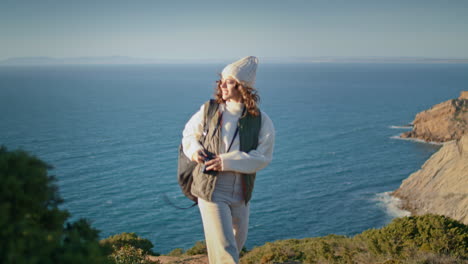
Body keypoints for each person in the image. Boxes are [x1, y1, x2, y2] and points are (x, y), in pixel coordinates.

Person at [181, 56, 275, 263]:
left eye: (229, 81)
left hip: (241, 191)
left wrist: (227, 161)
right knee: (226, 251)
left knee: (235, 244)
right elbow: (189, 135)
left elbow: (263, 157)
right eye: (221, 80)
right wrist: (195, 151)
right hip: (211, 188)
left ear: (243, 87)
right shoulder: (209, 110)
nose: (222, 85)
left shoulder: (261, 120)